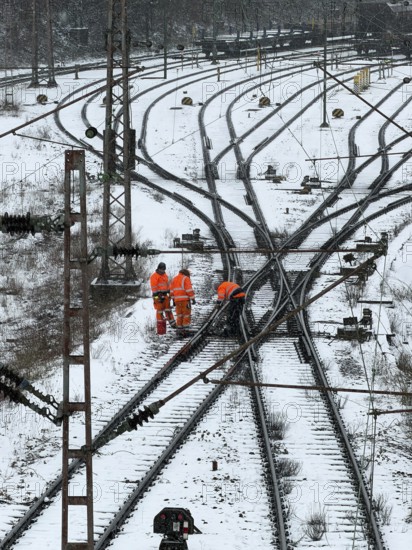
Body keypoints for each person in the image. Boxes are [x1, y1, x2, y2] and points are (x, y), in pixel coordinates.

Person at [150, 262, 176, 329]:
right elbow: (154, 288)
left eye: (164, 270)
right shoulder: (154, 276)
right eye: (161, 269)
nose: (162, 271)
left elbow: (167, 285)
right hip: (157, 296)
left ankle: (173, 324)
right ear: (158, 269)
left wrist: (169, 293)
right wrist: (157, 297)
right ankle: (160, 326)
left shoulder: (165, 275)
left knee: (168, 310)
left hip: (165, 295)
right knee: (160, 311)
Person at [170, 269, 196, 335]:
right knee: (186, 315)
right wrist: (193, 298)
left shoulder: (174, 279)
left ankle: (179, 330)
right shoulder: (186, 278)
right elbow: (189, 290)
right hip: (185, 301)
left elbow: (171, 291)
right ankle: (186, 330)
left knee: (179, 315)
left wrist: (173, 299)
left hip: (177, 301)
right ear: (186, 274)